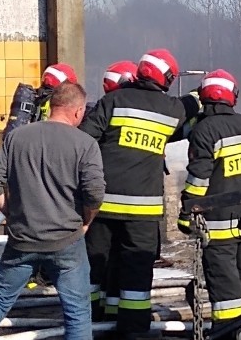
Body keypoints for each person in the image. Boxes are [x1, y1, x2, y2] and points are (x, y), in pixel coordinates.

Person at [0, 82, 105, 340]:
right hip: (67, 241)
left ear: (52, 106)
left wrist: (10, 212)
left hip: (23, 240)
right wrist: (87, 221)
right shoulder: (85, 144)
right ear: (77, 112)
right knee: (77, 313)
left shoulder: (18, 137)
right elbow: (95, 193)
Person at [80, 48, 199, 339]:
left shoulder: (113, 100)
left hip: (102, 205)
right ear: (168, 78)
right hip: (142, 211)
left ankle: (90, 323)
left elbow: (83, 139)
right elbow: (193, 106)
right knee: (135, 268)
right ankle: (132, 329)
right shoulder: (171, 109)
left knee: (96, 264)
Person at [177, 69, 241, 328]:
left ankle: (228, 331)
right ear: (232, 96)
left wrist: (186, 216)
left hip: (216, 226)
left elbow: (198, 180)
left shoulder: (204, 131)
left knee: (224, 286)